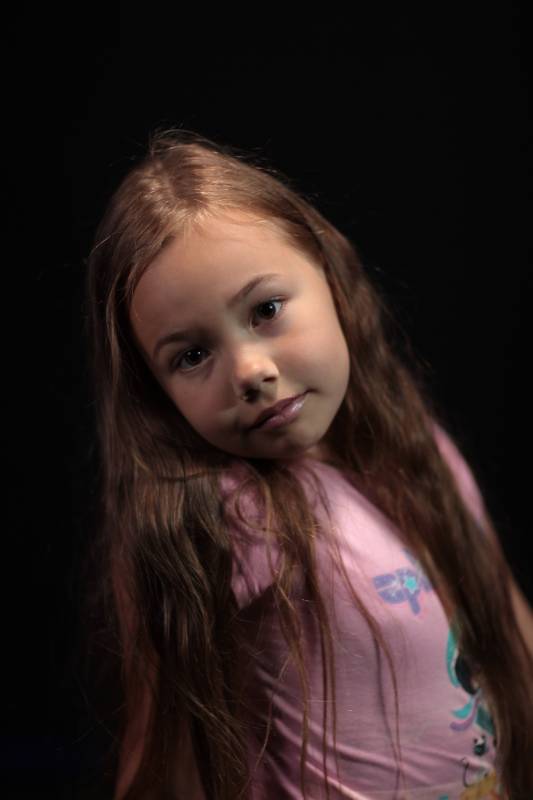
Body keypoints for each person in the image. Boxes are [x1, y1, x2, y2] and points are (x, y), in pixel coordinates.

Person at [84, 129, 533, 800]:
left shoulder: (420, 452)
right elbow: (168, 762)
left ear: (327, 275)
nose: (250, 371)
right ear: (156, 392)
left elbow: (515, 635)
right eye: (192, 356)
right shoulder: (224, 518)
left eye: (266, 310)